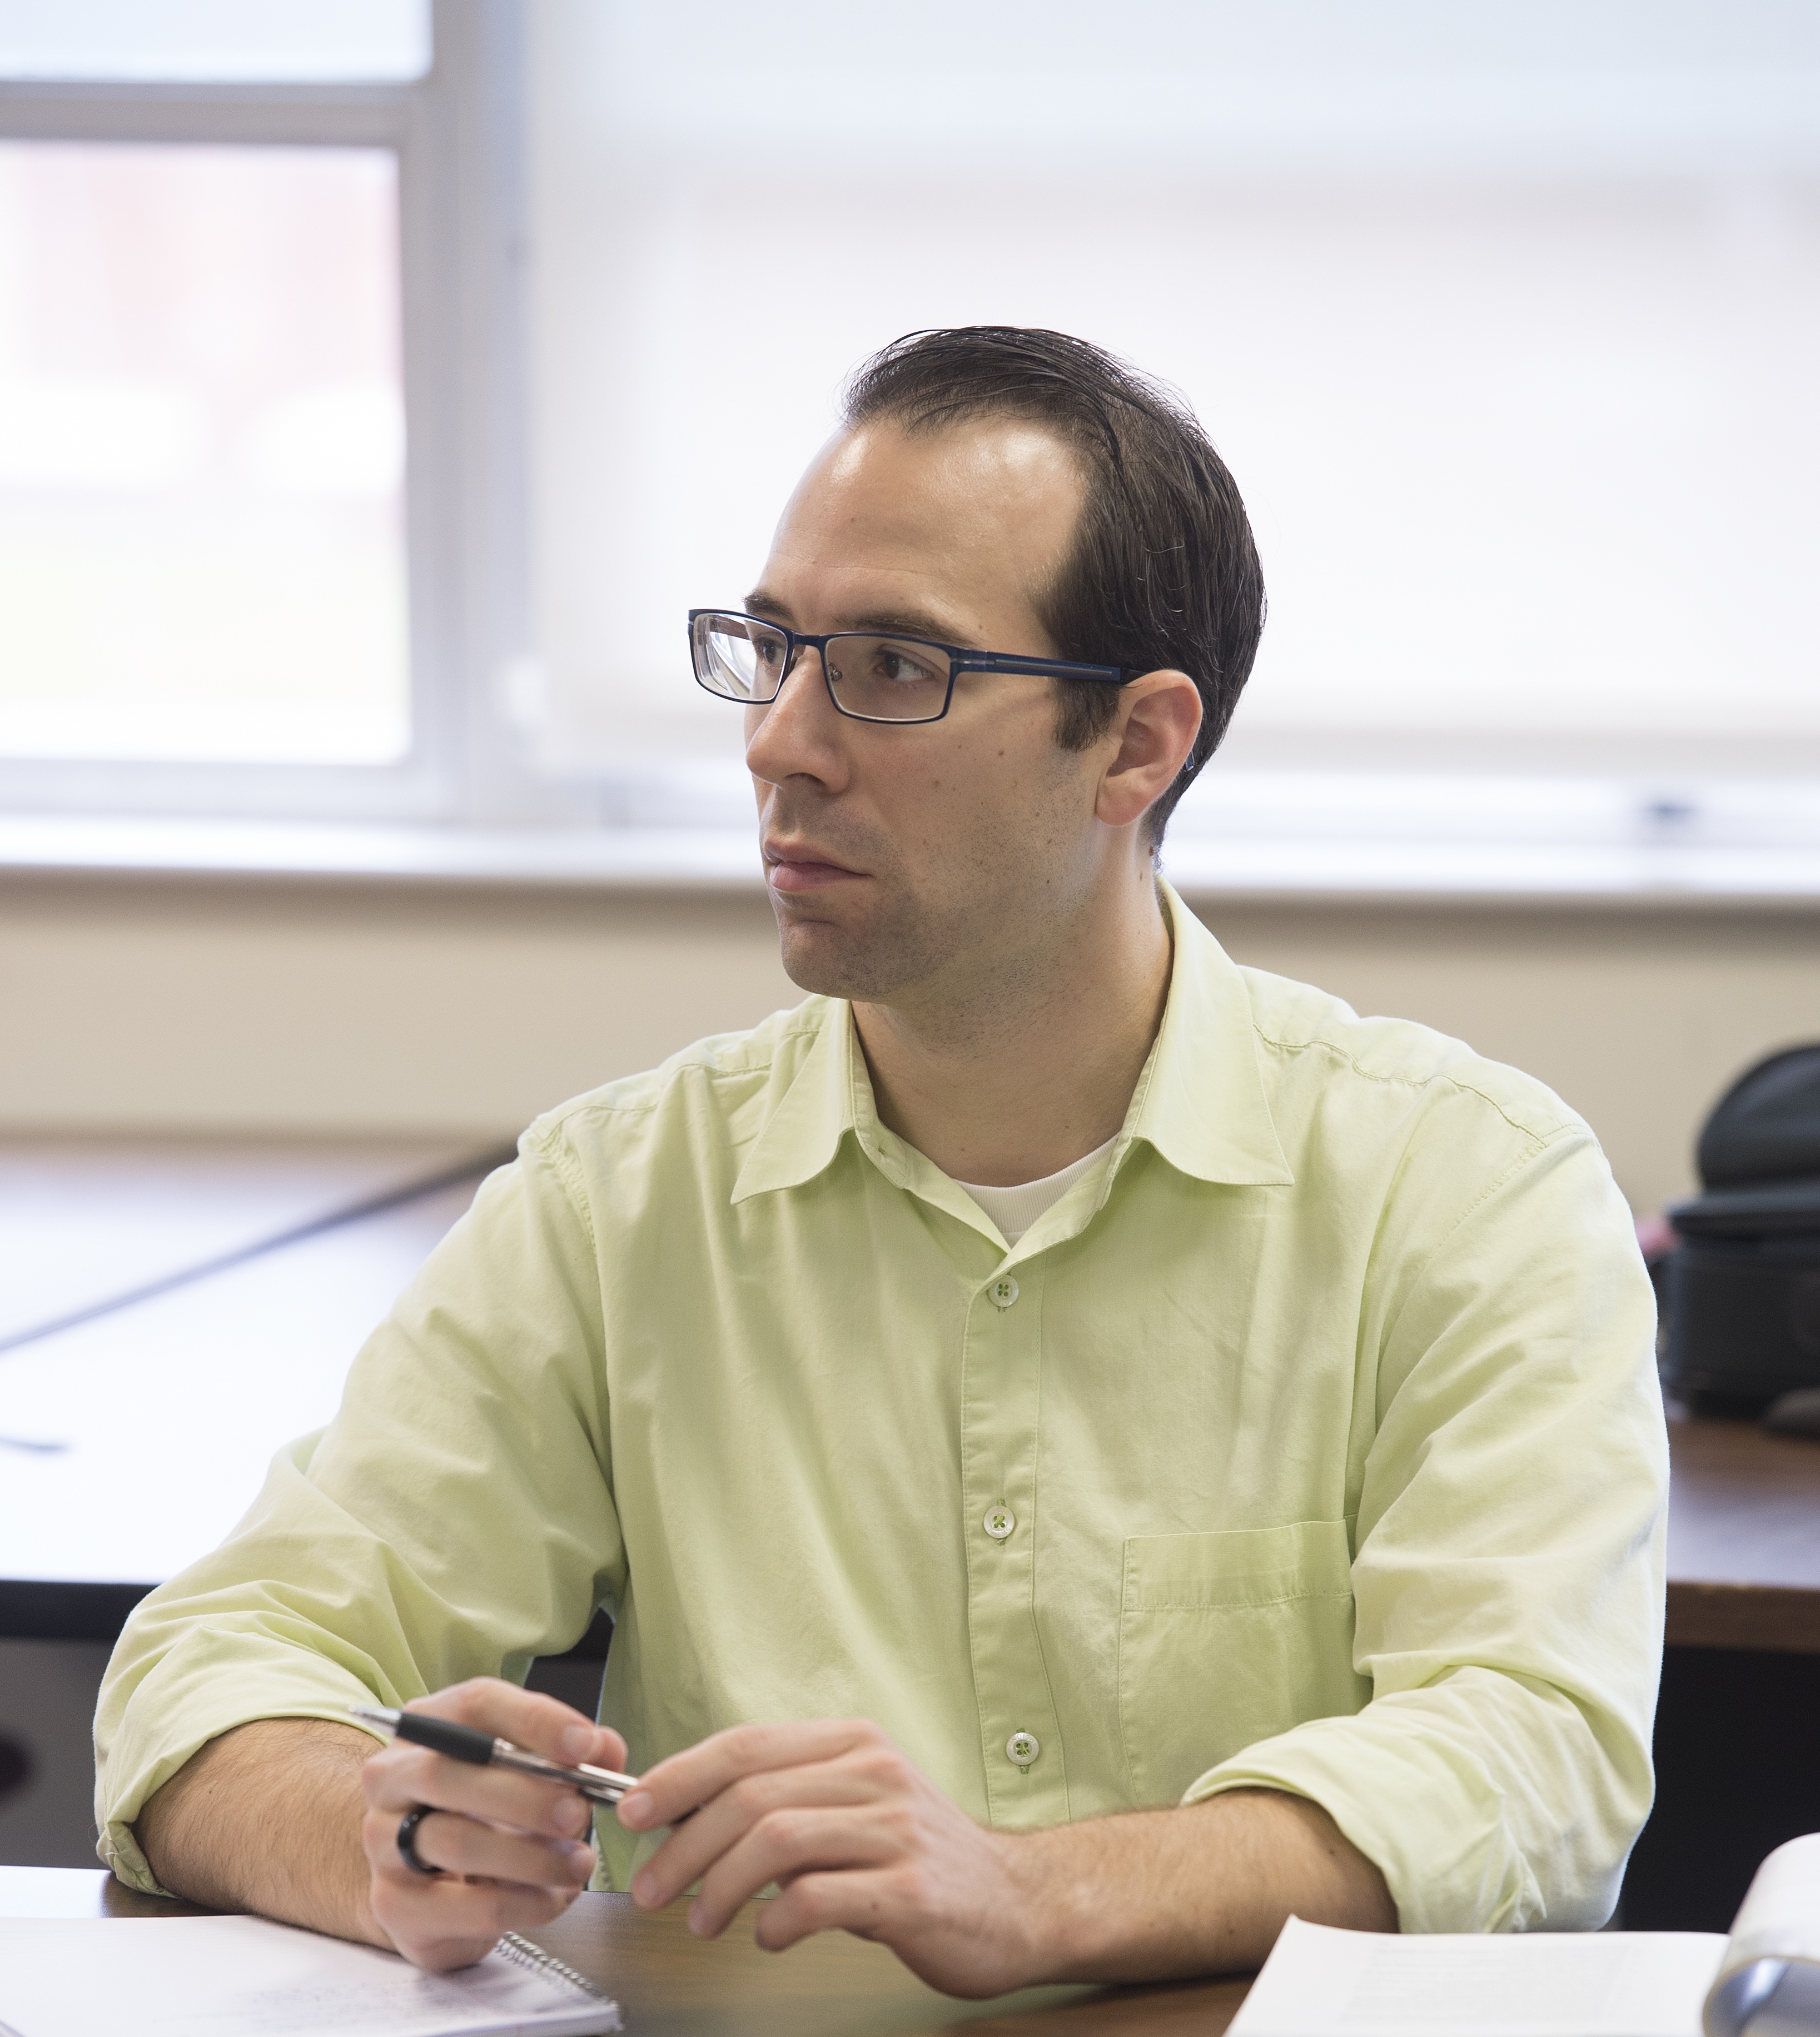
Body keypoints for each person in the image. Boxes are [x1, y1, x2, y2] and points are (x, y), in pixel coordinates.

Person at [95, 327, 1666, 1995]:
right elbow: (207, 1668)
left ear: (1135, 745)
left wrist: (1033, 1891)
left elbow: (1529, 1758)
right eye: (770, 648)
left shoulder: (1464, 1185)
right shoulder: (625, 1197)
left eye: (896, 666)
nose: (779, 741)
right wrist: (390, 1830)